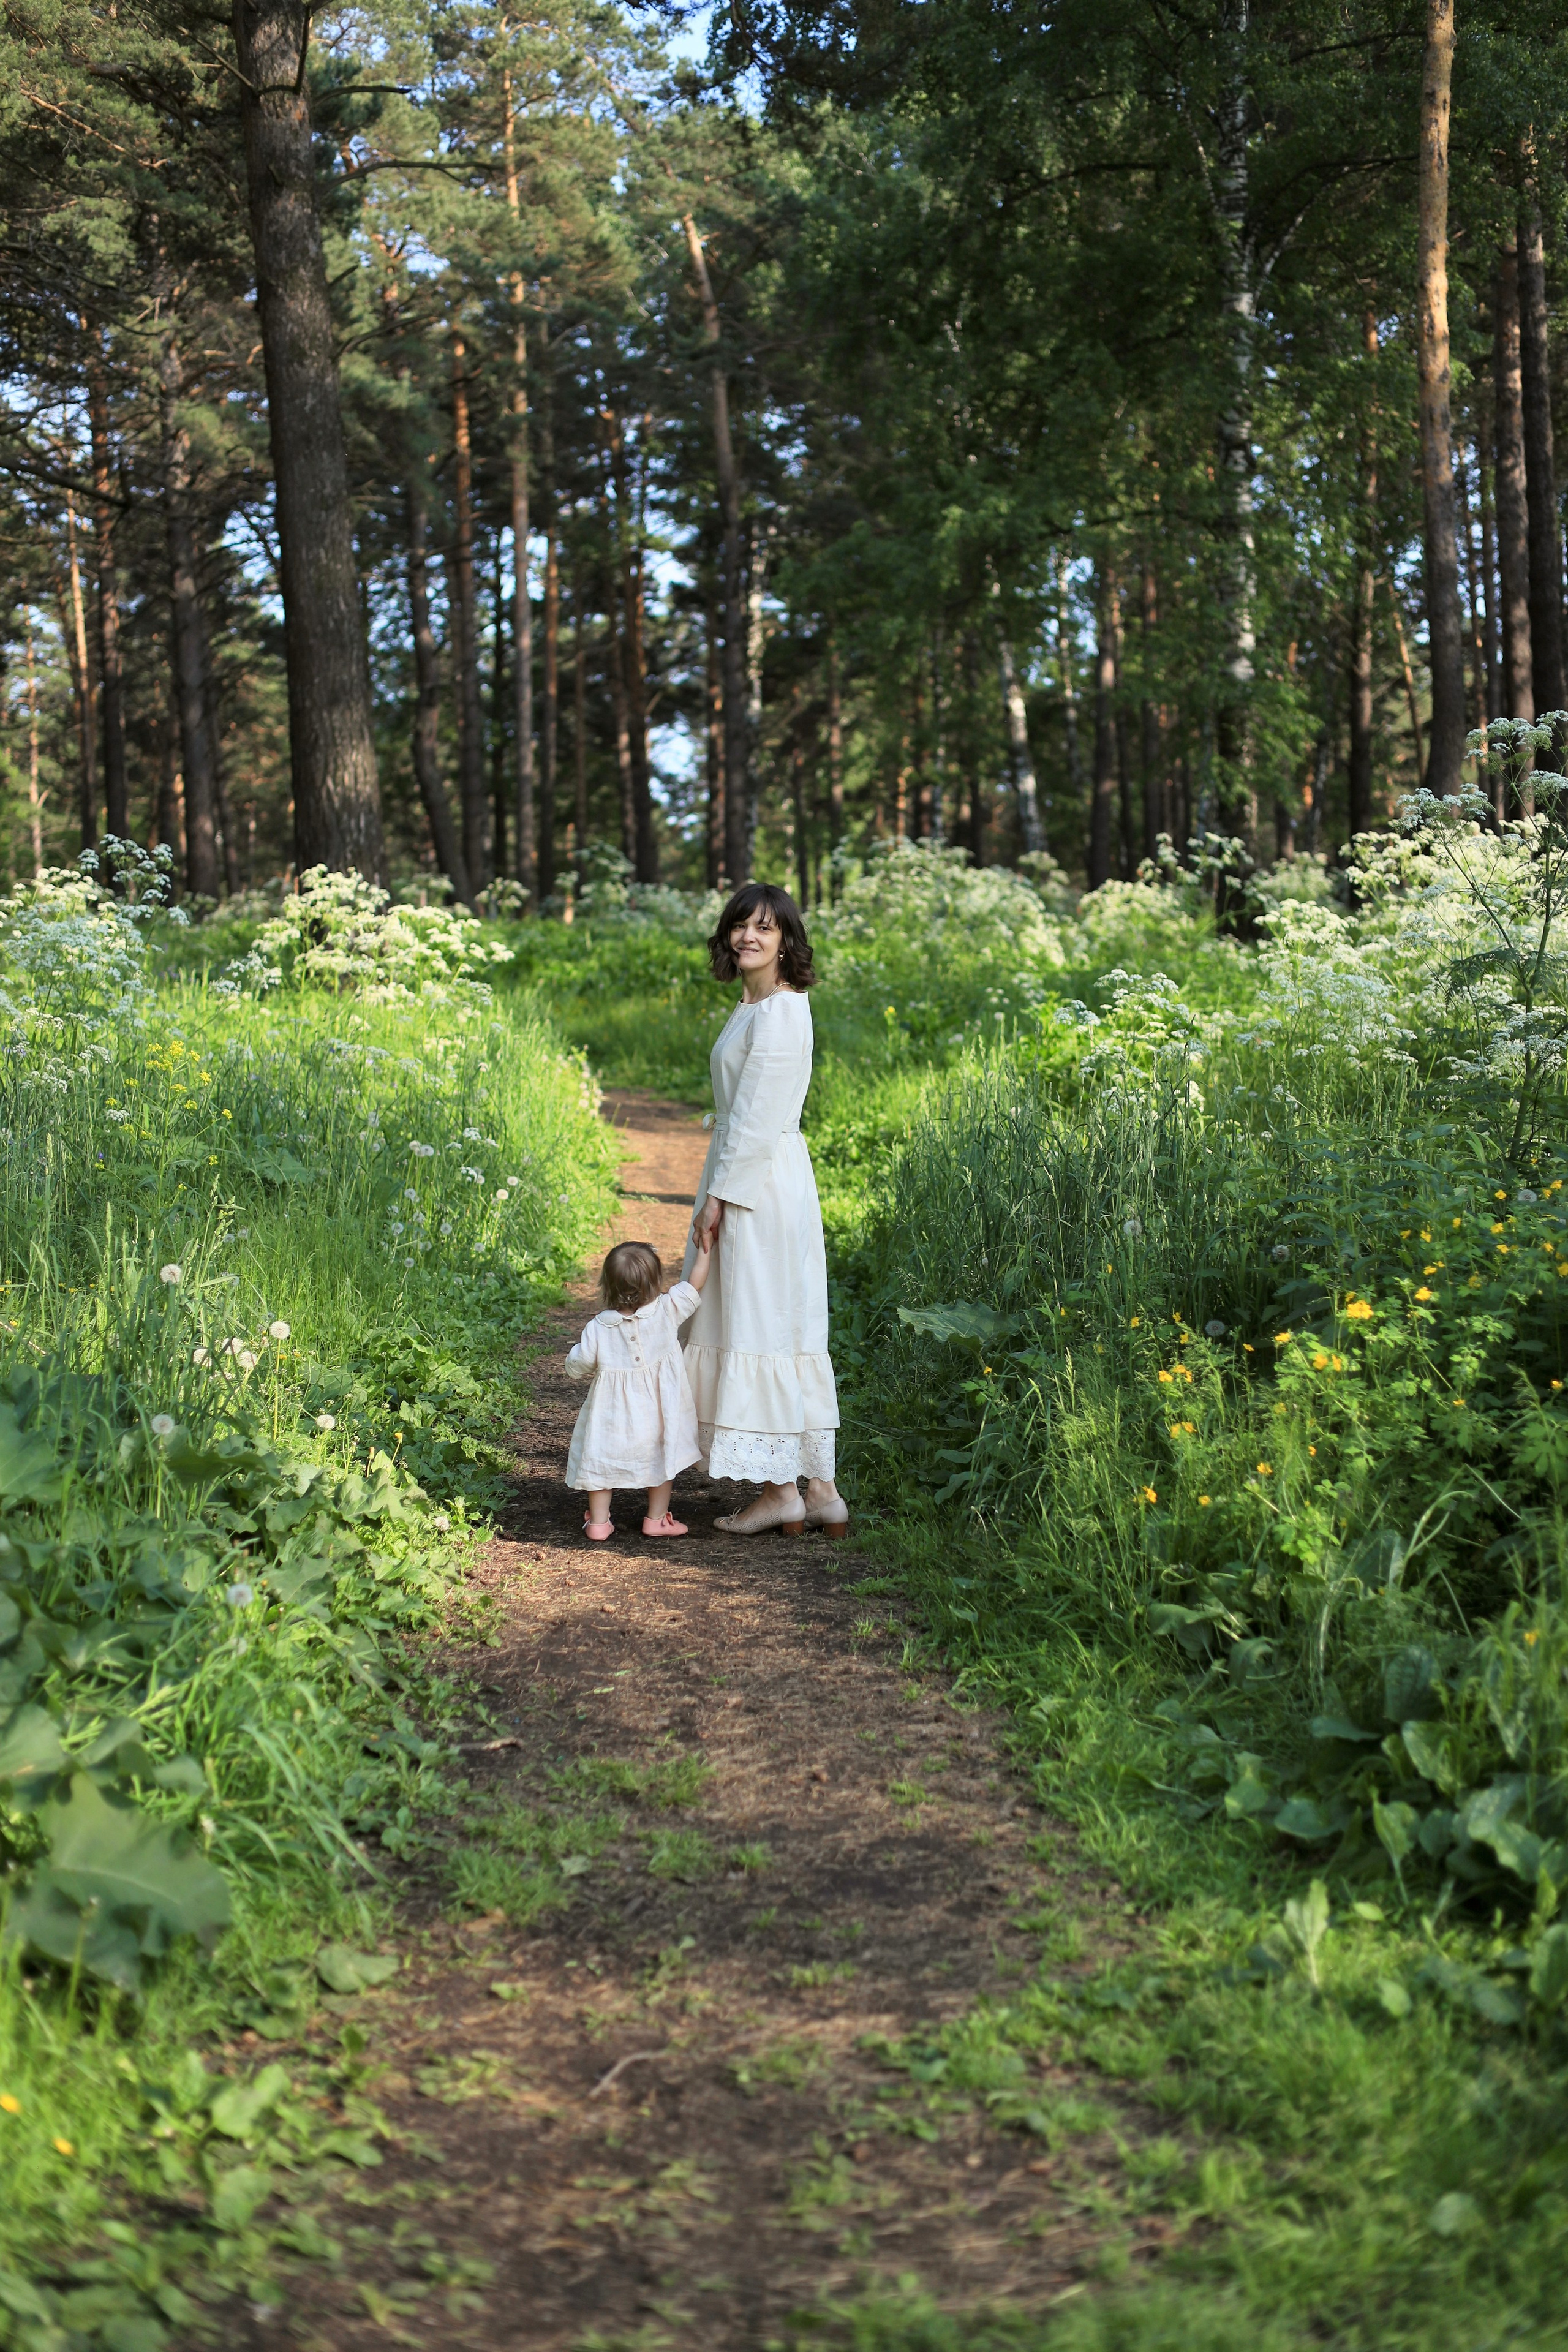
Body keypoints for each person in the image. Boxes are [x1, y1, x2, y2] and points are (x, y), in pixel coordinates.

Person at [682, 882, 850, 1538]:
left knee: (759, 1320)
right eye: (740, 926)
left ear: (786, 942)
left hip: (756, 1185)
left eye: (765, 928)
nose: (748, 936)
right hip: (747, 1172)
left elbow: (754, 1121)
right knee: (778, 1321)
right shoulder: (751, 1006)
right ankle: (822, 1492)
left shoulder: (781, 1011)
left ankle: (783, 1491)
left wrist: (718, 1199)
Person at [565, 1235, 710, 1540]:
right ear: (655, 1282)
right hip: (661, 1411)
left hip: (612, 1417)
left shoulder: (598, 1328)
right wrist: (706, 1250)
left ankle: (599, 1524)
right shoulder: (667, 1310)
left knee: (601, 1460)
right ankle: (656, 1519)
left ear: (607, 1286)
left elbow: (580, 1365)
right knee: (663, 1456)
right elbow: (694, 1285)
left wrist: (573, 1359)